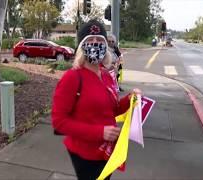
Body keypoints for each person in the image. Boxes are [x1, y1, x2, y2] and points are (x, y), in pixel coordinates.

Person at [51, 19, 141, 180]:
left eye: (100, 40)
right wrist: (100, 132)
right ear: (81, 47)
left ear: (106, 45)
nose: (95, 43)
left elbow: (111, 109)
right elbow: (59, 122)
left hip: (107, 150)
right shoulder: (72, 78)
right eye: (89, 40)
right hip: (85, 154)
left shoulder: (106, 75)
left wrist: (131, 99)